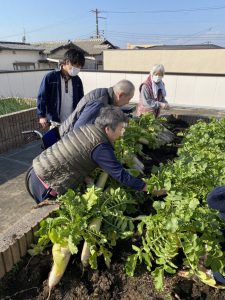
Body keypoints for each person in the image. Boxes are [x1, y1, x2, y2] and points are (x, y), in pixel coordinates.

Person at [29, 106, 147, 203]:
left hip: (39, 167)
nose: (122, 133)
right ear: (107, 129)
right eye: (120, 129)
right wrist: (146, 187)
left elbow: (77, 154)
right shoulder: (101, 146)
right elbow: (121, 175)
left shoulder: (89, 128)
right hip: (46, 182)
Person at [59, 79, 135, 136]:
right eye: (128, 99)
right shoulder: (99, 103)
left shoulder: (106, 96)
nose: (127, 103)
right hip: (67, 138)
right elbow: (78, 131)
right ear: (120, 95)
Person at [37, 48, 85, 129]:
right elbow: (42, 97)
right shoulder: (51, 77)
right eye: (76, 65)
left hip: (72, 122)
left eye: (80, 66)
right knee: (56, 141)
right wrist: (42, 116)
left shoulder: (77, 80)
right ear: (67, 62)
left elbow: (81, 99)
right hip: (55, 122)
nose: (78, 69)